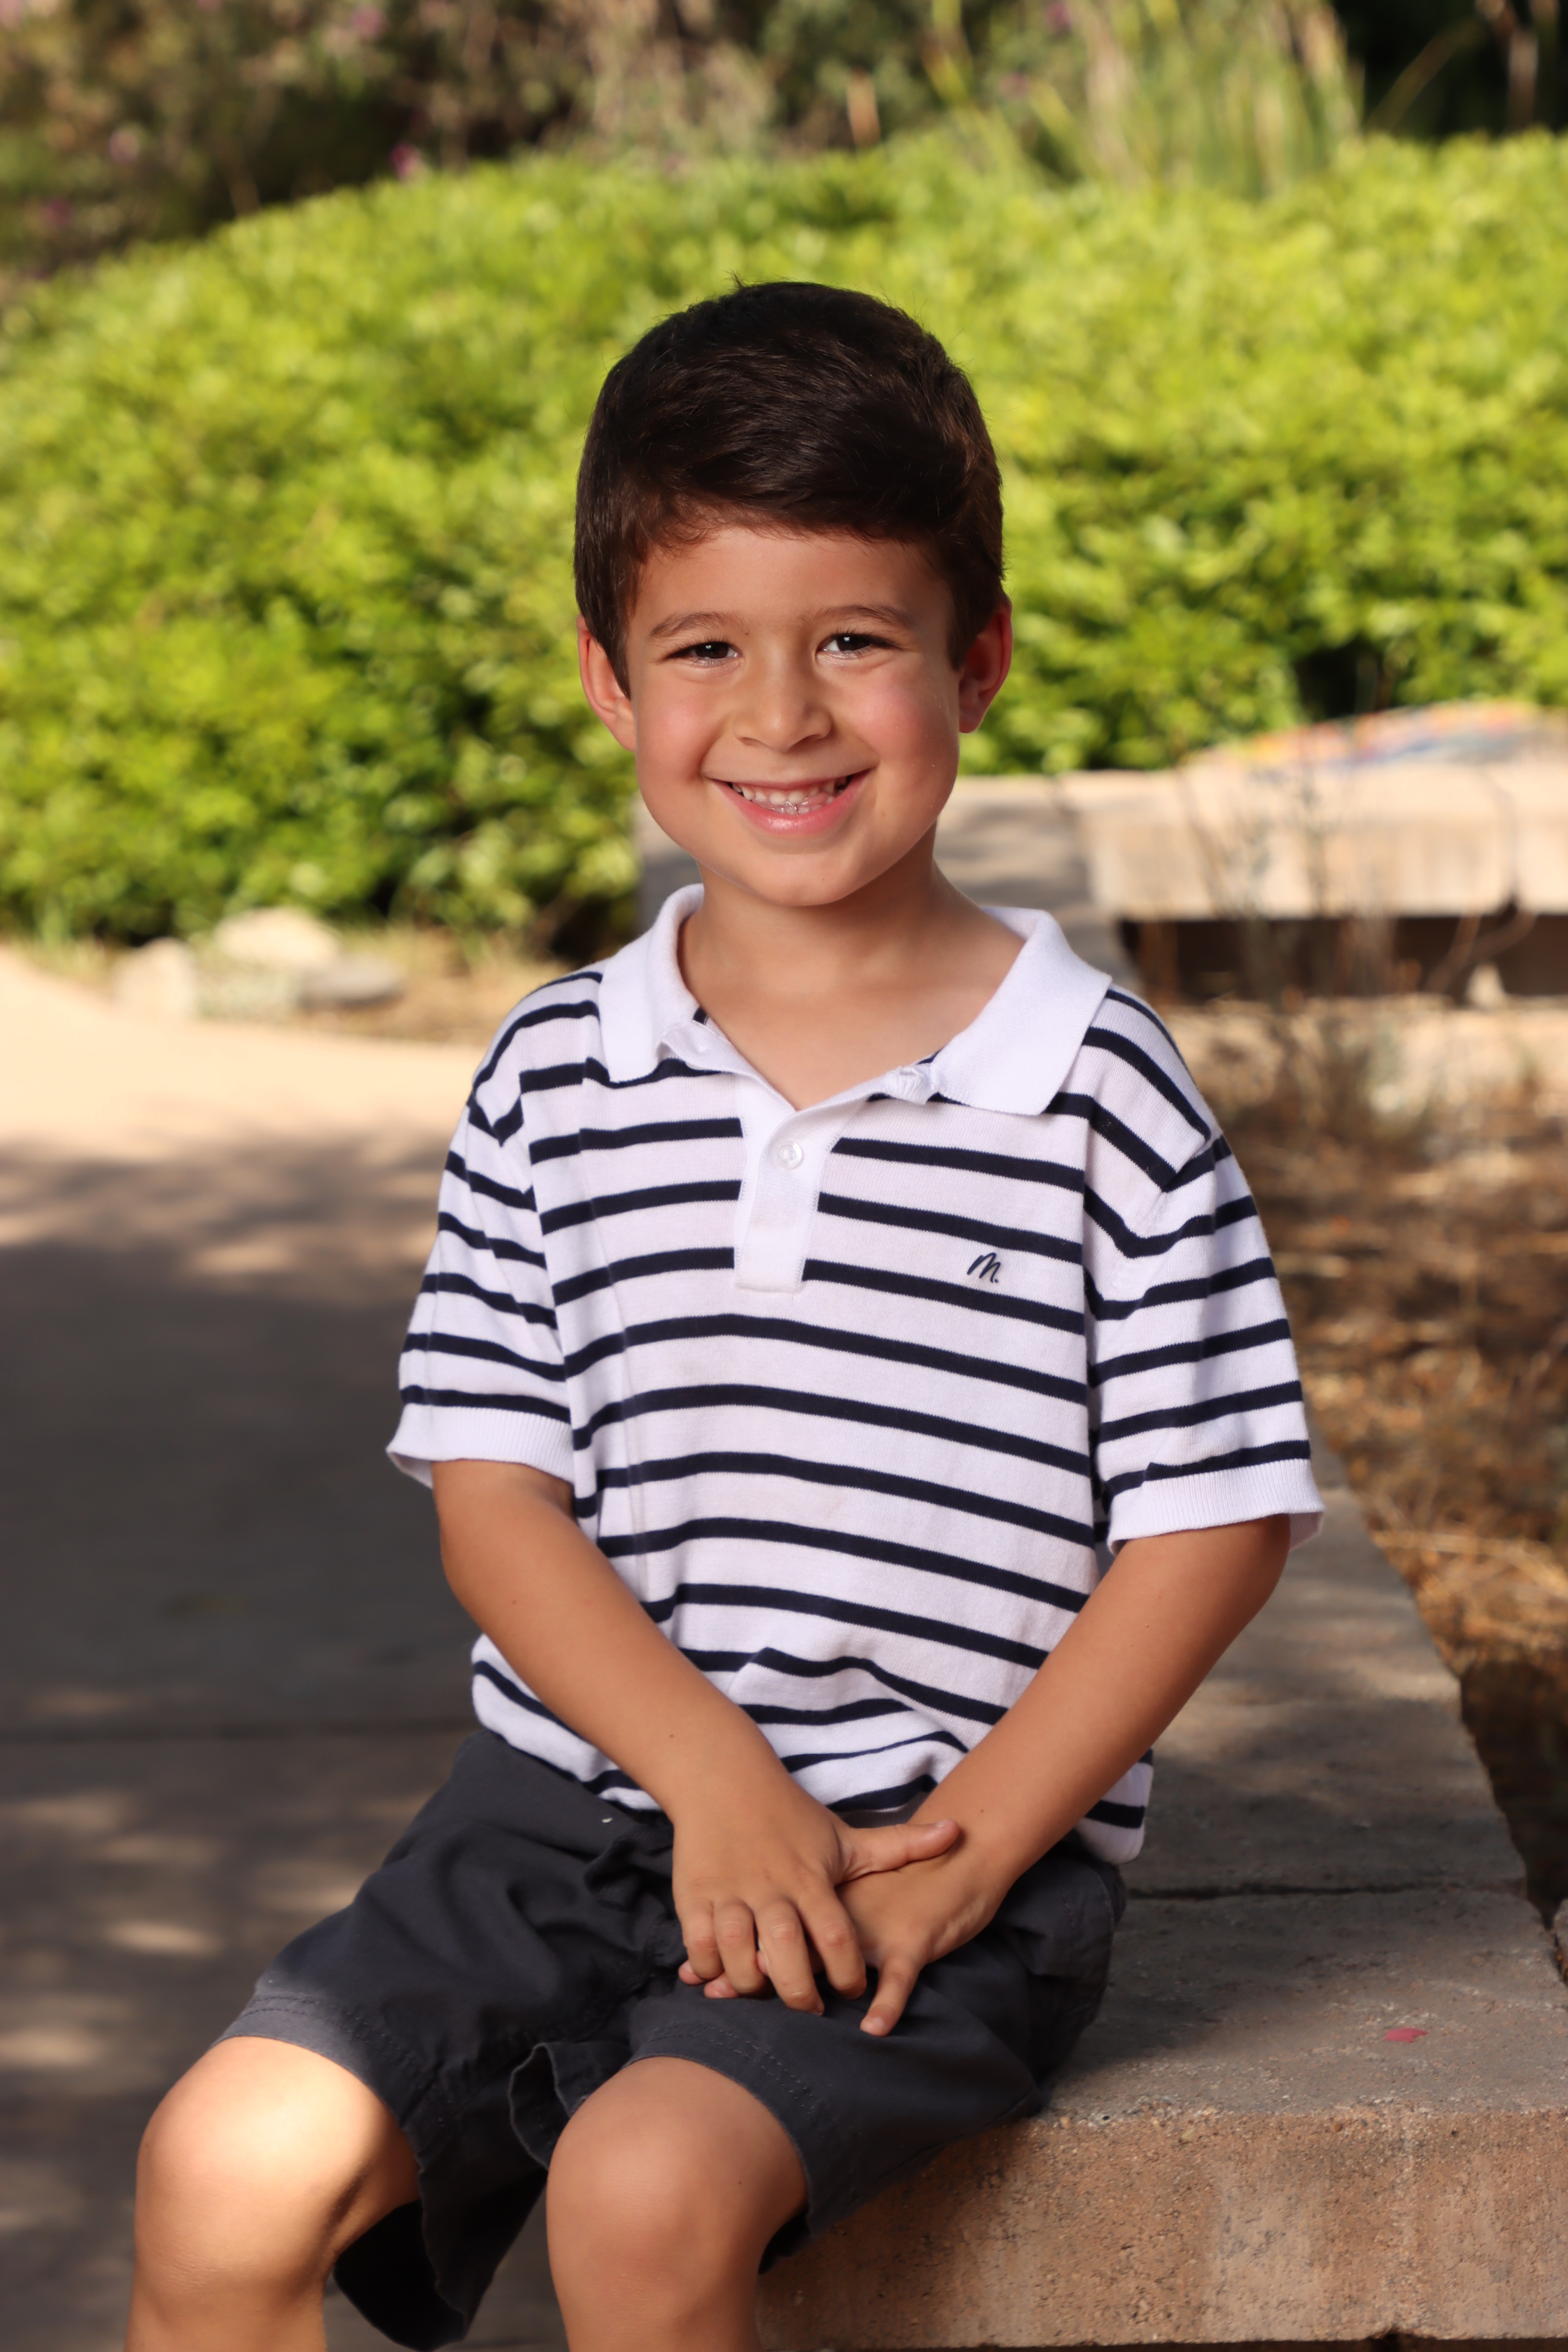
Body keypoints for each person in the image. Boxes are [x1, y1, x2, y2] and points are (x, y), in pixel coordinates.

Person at [125, 282, 1323, 2352]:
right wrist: (705, 1780)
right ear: (610, 679)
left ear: (976, 661)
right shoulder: (556, 1069)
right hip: (561, 1811)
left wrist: (970, 1854)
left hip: (922, 1849)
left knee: (641, 2189)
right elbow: (494, 1498)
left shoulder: (1094, 1085)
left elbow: (1212, 1517)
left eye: (854, 641)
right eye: (705, 649)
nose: (782, 716)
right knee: (219, 2167)